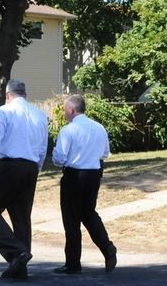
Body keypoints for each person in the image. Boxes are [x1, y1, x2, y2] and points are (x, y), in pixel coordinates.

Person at [0, 79, 49, 279]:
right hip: (30, 167)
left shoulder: (4, 112)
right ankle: (20, 269)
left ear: (8, 95)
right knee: (21, 217)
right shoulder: (40, 115)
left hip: (8, 166)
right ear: (25, 94)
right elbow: (43, 147)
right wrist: (36, 169)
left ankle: (17, 252)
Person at [52, 94, 117, 274]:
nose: (65, 113)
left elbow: (60, 158)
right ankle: (107, 247)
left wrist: (55, 154)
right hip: (93, 174)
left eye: (65, 110)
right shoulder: (99, 127)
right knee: (88, 214)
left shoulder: (68, 130)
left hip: (74, 175)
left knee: (71, 219)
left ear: (72, 110)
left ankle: (73, 263)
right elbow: (105, 152)